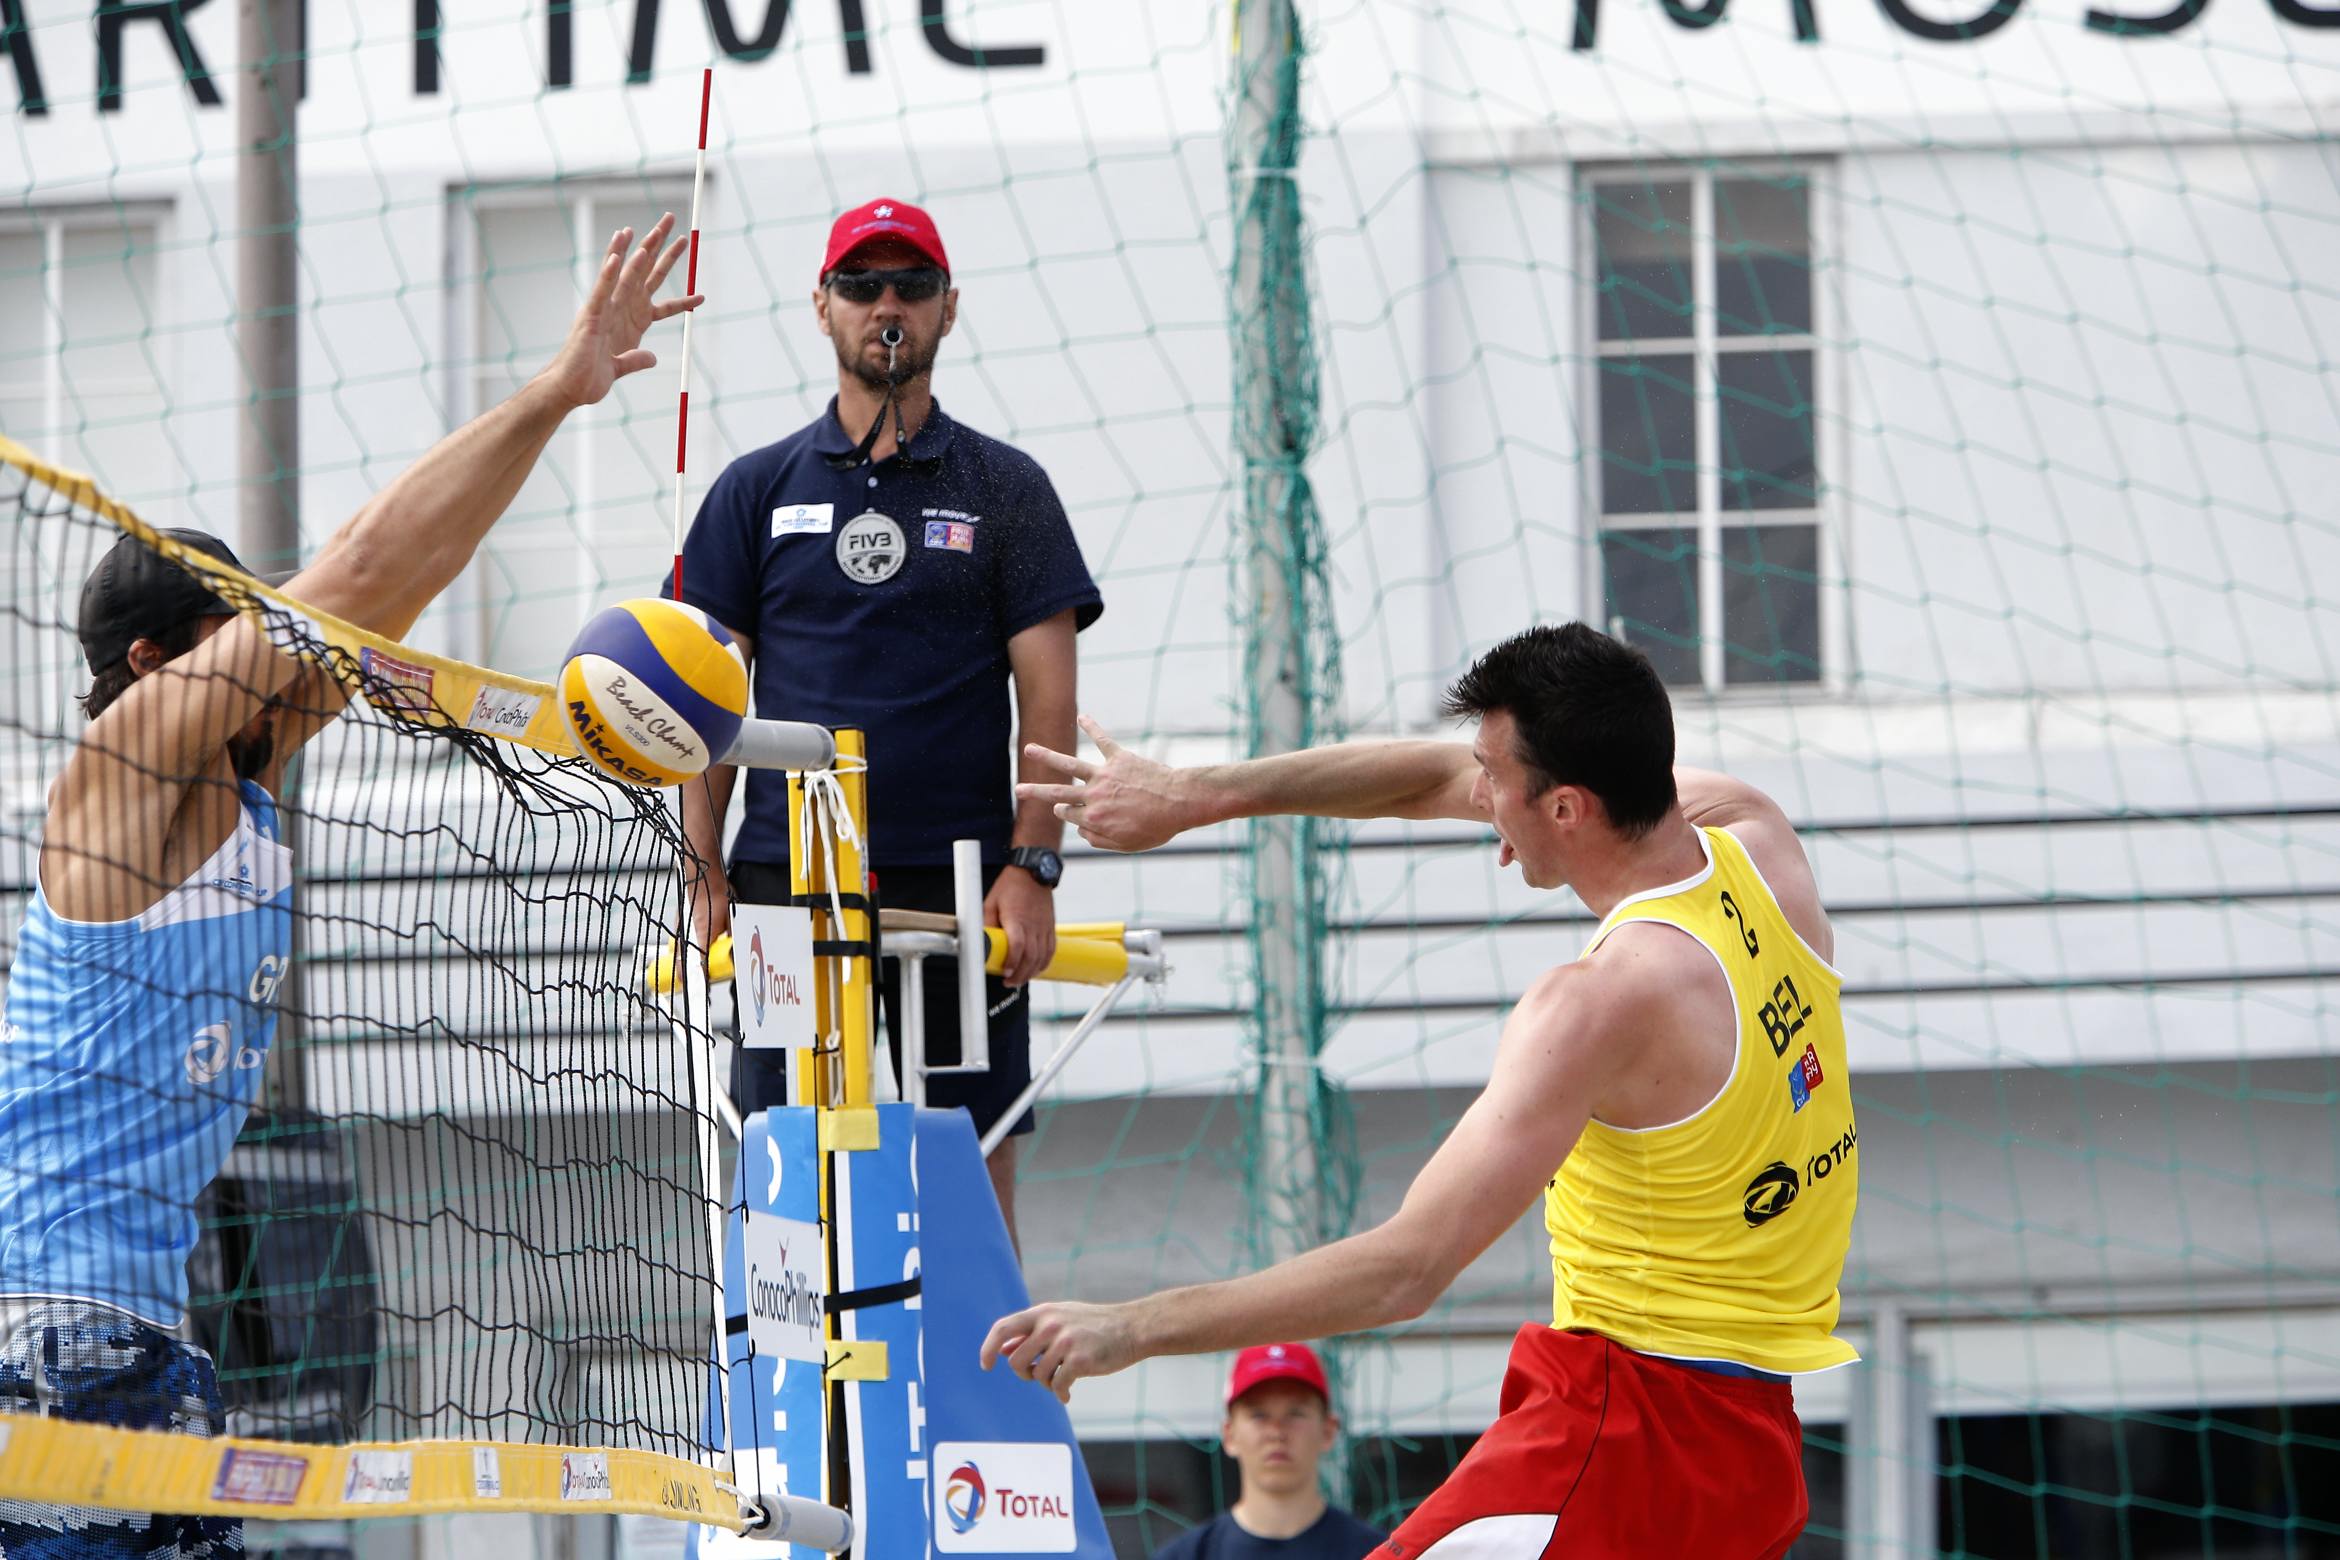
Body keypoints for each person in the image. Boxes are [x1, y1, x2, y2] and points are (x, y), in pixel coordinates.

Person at [0, 216, 701, 1559]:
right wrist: (549, 385)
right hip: (47, 1338)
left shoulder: (244, 778)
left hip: (138, 1337)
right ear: (156, 663)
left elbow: (393, 583)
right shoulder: (121, 770)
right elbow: (352, 580)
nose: (280, 650)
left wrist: (566, 403)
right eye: (240, 626)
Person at [984, 623, 1858, 1559]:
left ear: (1566, 808)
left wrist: (1129, 1328)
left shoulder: (1597, 1005)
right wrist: (1195, 795)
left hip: (1627, 1439)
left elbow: (1406, 1270)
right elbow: (1428, 779)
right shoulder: (1756, 841)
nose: (1474, 796)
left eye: (1492, 780)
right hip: (1756, 1455)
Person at [670, 197, 1101, 1247]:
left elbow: (1049, 706)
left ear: (949, 307)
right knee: (787, 1159)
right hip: (785, 883)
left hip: (958, 885)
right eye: (862, 285)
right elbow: (700, 698)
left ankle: (979, 1347)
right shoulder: (755, 489)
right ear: (823, 305)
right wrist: (703, 870)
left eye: (911, 285)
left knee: (966, 1164)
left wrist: (1033, 866)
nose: (887, 305)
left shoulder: (1006, 488)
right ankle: (796, 1356)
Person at [1152, 1343, 1387, 1560]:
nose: (1276, 1432)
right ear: (1229, 1434)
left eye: (1295, 1414)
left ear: (1328, 1431)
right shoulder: (1185, 1555)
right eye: (1259, 1415)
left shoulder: (1377, 1553)